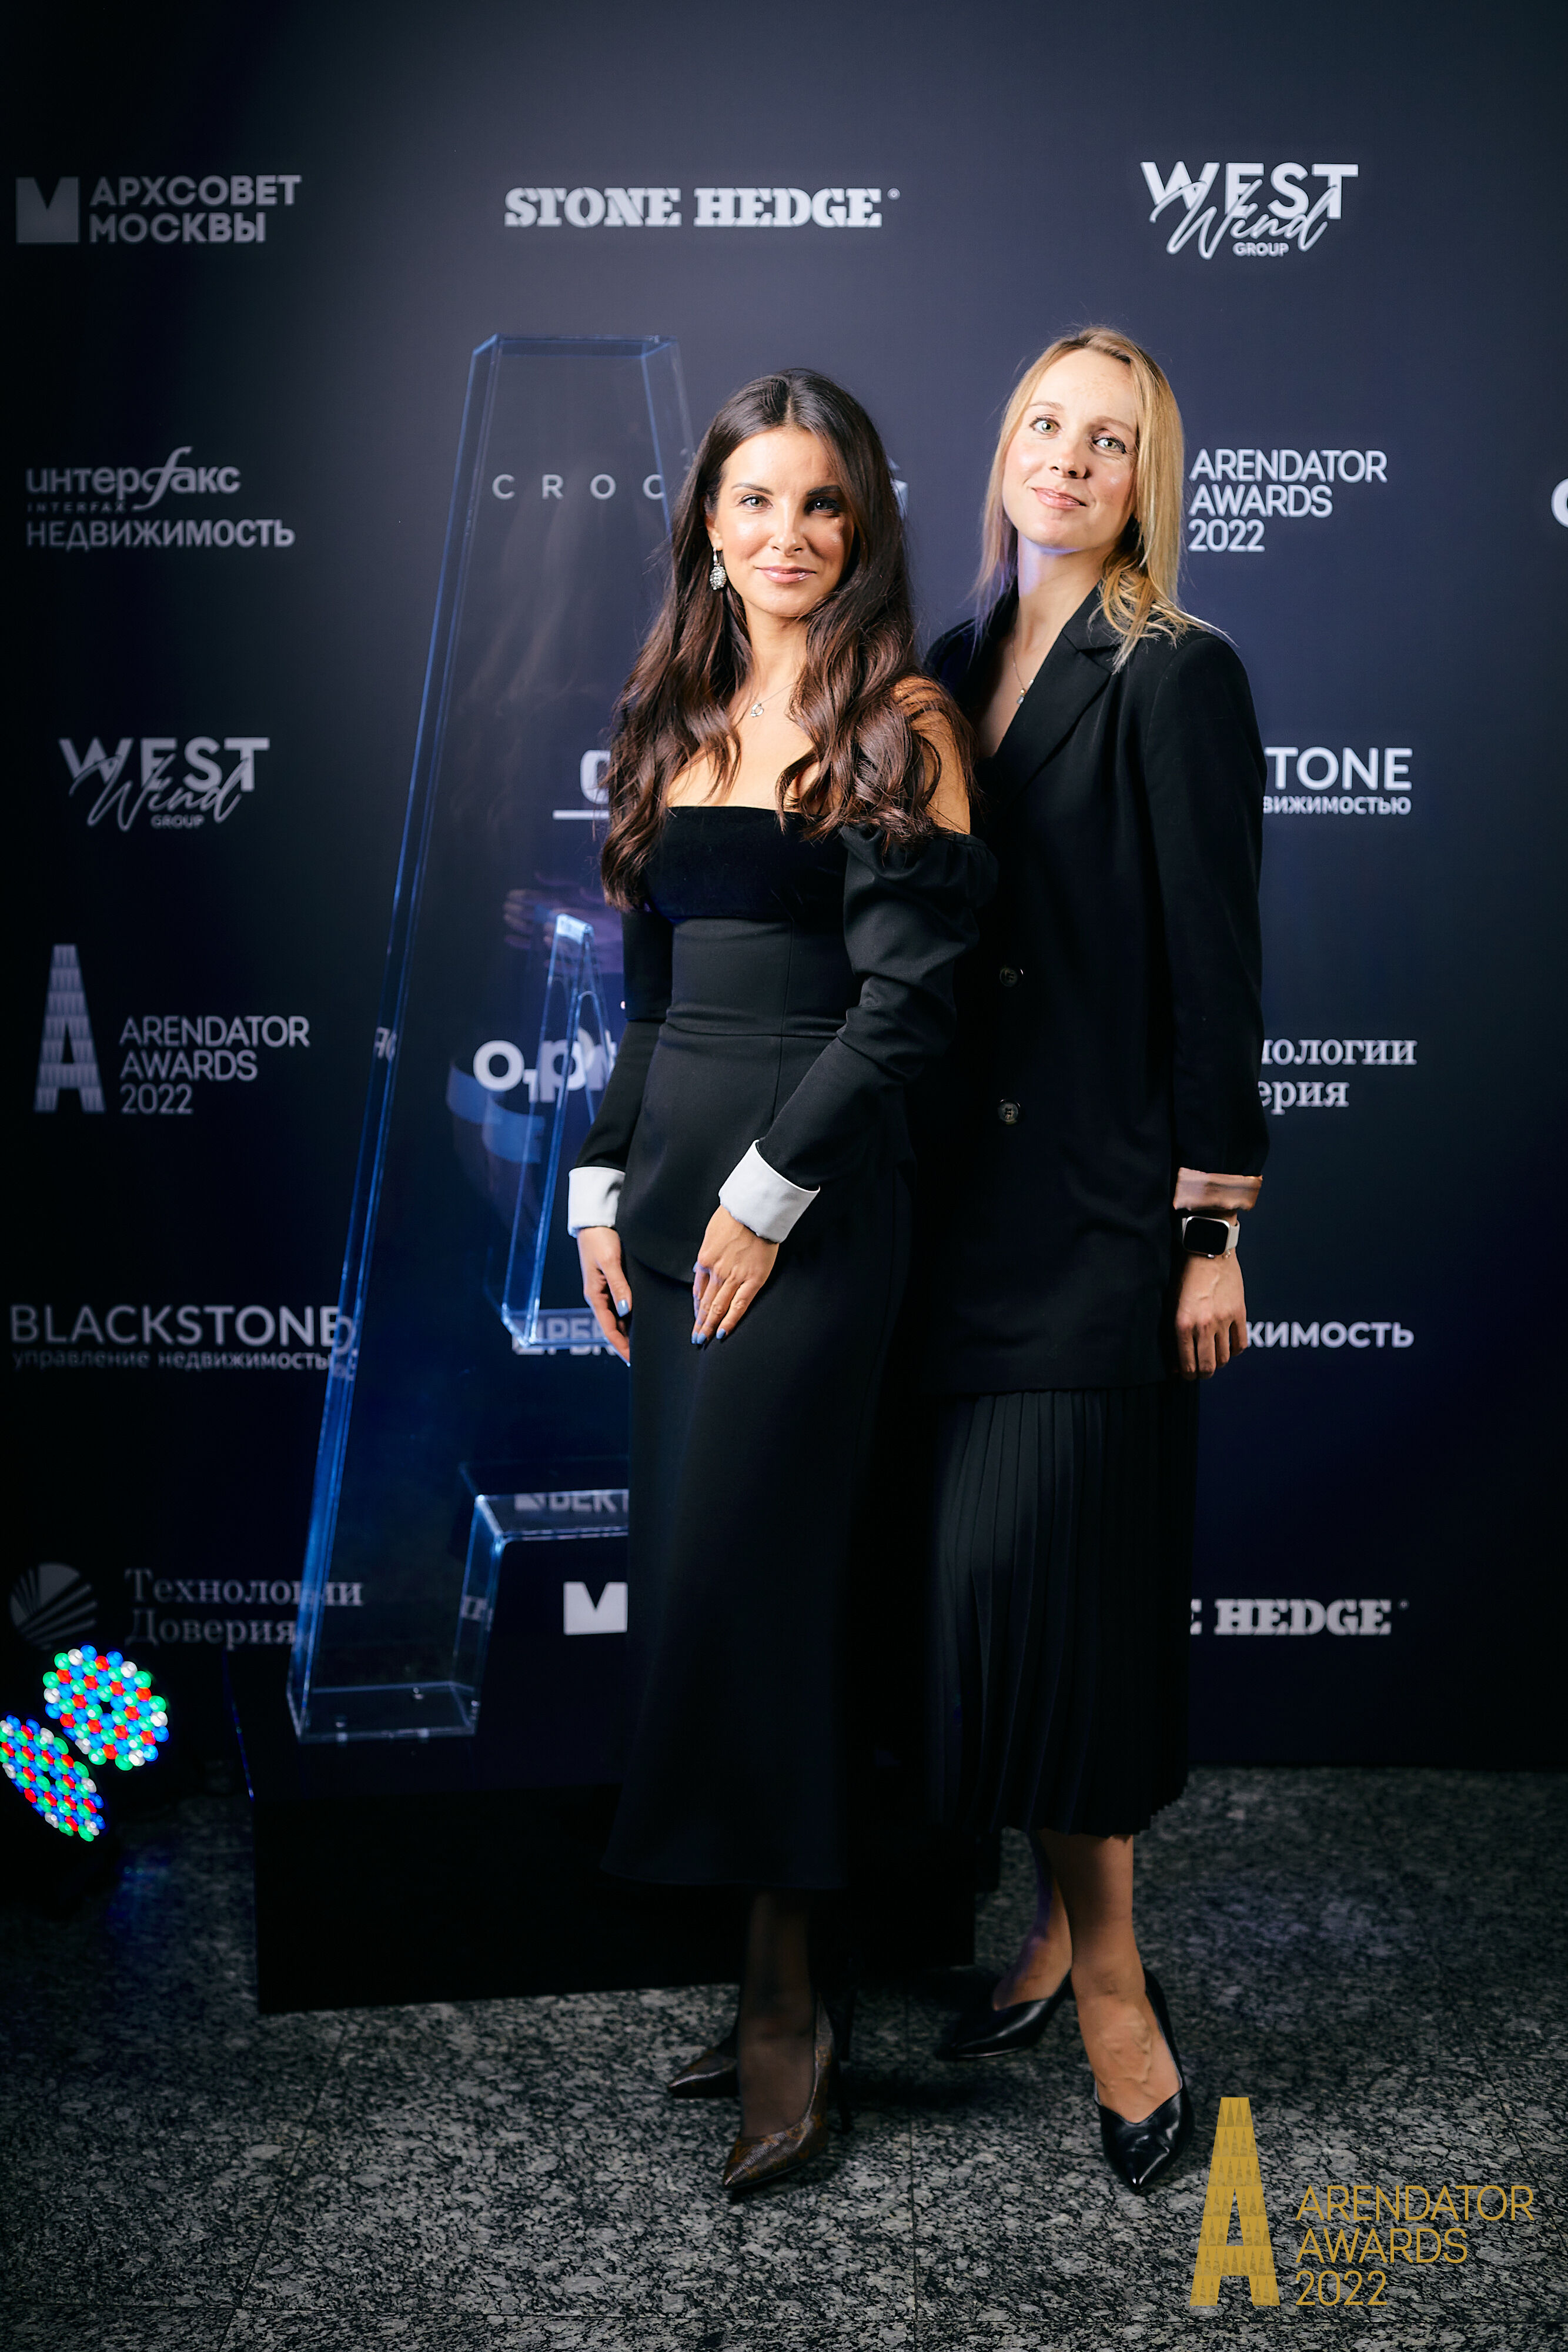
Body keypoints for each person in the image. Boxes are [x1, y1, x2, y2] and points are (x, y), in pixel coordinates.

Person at [567, 369, 992, 2197]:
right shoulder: (663, 710)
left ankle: (787, 2011)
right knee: (704, 1586)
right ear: (707, 524)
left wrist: (764, 1195)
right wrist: (600, 1187)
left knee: (776, 1592)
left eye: (821, 503)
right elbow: (648, 1002)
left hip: (811, 1200)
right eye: (754, 501)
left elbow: (905, 1011)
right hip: (676, 1200)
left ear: (863, 522)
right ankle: (776, 1967)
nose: (788, 535)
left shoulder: (905, 722)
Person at [918, 328, 1267, 2194]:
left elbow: (1215, 959)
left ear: (1145, 480)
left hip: (1099, 1219)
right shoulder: (950, 659)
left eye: (1106, 439)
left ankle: (1118, 2000)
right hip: (944, 1219)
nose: (1065, 457)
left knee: (1054, 1606)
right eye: (1043, 424)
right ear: (1004, 447)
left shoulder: (1175, 670)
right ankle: (1056, 1933)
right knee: (991, 1616)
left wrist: (1209, 1229)